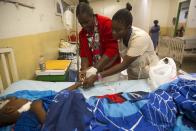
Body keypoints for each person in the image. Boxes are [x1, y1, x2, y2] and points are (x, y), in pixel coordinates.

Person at [83, 3, 159, 87]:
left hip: (149, 76)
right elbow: (114, 56)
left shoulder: (139, 38)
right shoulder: (121, 37)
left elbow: (124, 64)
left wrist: (97, 76)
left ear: (128, 27)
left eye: (118, 30)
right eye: (112, 29)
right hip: (134, 76)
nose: (113, 33)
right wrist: (95, 68)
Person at [76, 0, 121, 82]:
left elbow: (112, 50)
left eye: (86, 22)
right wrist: (84, 72)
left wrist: (94, 69)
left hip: (110, 71)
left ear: (92, 15)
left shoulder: (106, 24)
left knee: (109, 93)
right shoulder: (82, 34)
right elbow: (84, 55)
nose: (84, 26)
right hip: (94, 71)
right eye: (81, 23)